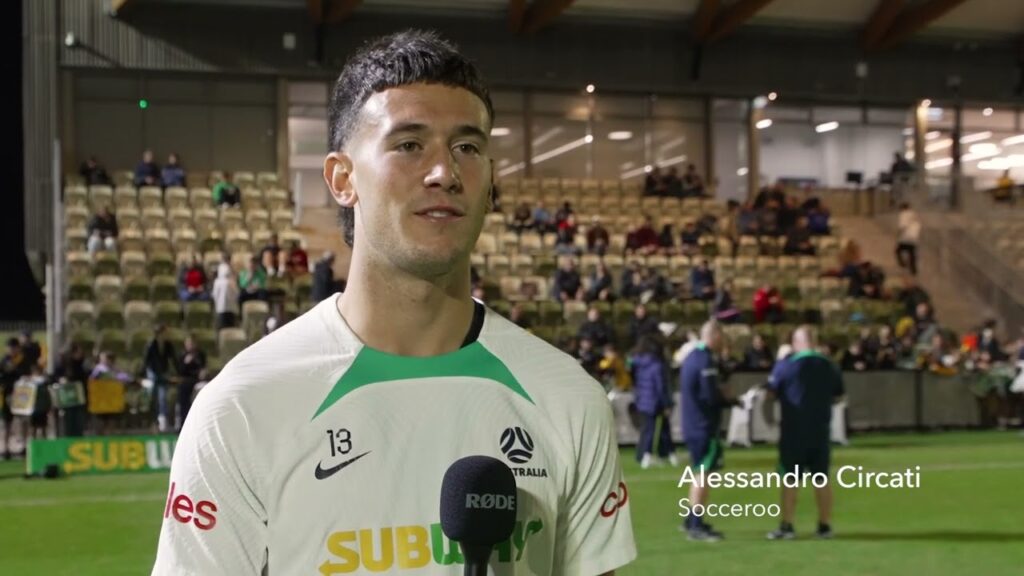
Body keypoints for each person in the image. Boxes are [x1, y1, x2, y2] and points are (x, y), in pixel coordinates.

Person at [153, 30, 635, 576]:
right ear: (341, 178)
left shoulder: (568, 397)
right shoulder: (243, 406)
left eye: (468, 148)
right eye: (409, 144)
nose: (444, 173)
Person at [765, 326, 844, 540]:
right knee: (821, 478)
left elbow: (771, 392)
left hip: (793, 430)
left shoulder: (786, 365)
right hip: (820, 429)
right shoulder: (829, 365)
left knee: (790, 479)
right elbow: (838, 396)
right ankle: (825, 525)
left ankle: (787, 525)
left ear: (796, 343)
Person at [679, 320, 736, 541]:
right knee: (704, 474)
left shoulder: (692, 357)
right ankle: (696, 523)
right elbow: (710, 396)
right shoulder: (705, 360)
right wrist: (729, 399)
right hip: (703, 425)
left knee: (698, 472)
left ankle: (690, 519)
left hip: (692, 423)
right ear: (714, 336)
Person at [631, 335, 678, 469]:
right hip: (655, 401)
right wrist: (667, 403)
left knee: (649, 429)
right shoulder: (657, 365)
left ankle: (647, 455)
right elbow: (661, 386)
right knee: (655, 429)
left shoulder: (638, 363)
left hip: (643, 400)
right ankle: (649, 455)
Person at [144, 325, 178, 433]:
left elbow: (174, 359)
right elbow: (146, 361)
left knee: (163, 397)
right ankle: (154, 423)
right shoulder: (151, 345)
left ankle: (162, 421)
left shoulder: (168, 345)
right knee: (153, 397)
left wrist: (178, 373)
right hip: (153, 373)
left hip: (164, 373)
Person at [176, 336, 206, 431]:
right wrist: (186, 363)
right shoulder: (182, 355)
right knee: (183, 391)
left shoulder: (200, 354)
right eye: (189, 343)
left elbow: (203, 368)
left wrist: (203, 372)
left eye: (192, 343)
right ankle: (183, 424)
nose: (191, 346)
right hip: (186, 379)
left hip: (198, 380)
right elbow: (180, 371)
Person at [211, 262, 239, 329]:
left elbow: (214, 295)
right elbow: (237, 294)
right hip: (231, 309)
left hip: (221, 309)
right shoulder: (231, 281)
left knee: (223, 328)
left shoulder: (217, 282)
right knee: (230, 327)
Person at [896, 202, 920, 276]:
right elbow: (918, 225)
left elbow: (902, 226)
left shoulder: (903, 214)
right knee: (912, 252)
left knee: (898, 251)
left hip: (905, 237)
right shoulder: (914, 214)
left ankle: (903, 264)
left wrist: (898, 234)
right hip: (914, 237)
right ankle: (913, 270)